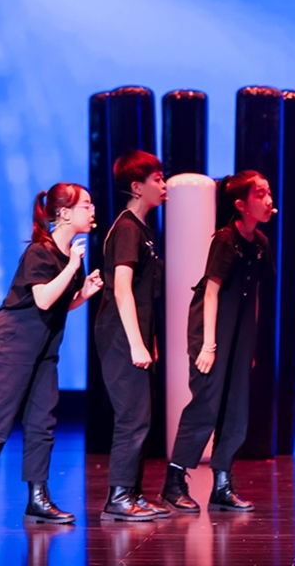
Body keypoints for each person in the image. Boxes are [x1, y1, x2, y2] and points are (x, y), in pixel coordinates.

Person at [0, 184, 103, 525]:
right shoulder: (41, 252)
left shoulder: (71, 257)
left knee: (42, 421)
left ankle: (38, 497)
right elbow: (43, 299)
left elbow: (60, 304)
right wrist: (72, 267)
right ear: (64, 213)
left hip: (45, 346)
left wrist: (83, 293)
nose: (92, 210)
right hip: (14, 343)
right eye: (86, 204)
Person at [162, 172, 276, 513]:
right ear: (241, 205)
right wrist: (209, 346)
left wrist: (248, 345)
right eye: (260, 194)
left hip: (239, 331)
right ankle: (174, 481)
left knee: (236, 406)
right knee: (206, 403)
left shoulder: (260, 242)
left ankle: (222, 484)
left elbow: (255, 294)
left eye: (268, 193)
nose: (268, 200)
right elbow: (211, 292)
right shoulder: (226, 239)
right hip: (211, 328)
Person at [95, 150, 167, 521]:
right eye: (157, 179)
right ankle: (119, 496)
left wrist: (148, 339)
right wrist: (136, 343)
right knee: (132, 417)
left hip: (135, 332)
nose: (164, 185)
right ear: (137, 187)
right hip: (120, 335)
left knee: (142, 415)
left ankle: (133, 493)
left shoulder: (143, 229)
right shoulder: (126, 229)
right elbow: (122, 288)